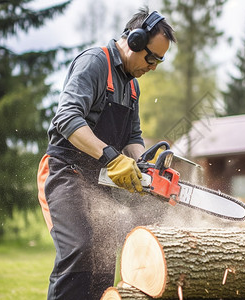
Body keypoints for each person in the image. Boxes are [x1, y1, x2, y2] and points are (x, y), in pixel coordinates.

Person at [36, 7, 176, 299]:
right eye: (151, 57)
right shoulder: (95, 63)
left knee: (103, 255)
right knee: (80, 248)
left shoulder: (132, 86)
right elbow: (67, 118)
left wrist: (143, 167)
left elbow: (134, 137)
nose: (153, 66)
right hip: (65, 170)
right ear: (134, 41)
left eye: (159, 62)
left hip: (99, 178)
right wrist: (112, 157)